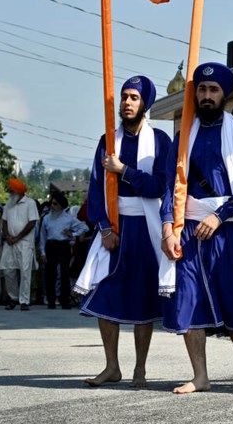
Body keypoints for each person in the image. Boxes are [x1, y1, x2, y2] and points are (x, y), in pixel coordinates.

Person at [161, 62, 233, 394]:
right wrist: (168, 228)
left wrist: (220, 215)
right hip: (188, 231)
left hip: (228, 229)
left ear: (225, 94)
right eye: (202, 89)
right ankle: (200, 375)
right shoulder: (183, 136)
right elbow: (171, 186)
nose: (207, 95)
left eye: (213, 90)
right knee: (188, 298)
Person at [75, 75, 173, 387]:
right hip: (113, 228)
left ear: (146, 103)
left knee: (144, 297)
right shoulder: (107, 140)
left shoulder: (160, 141)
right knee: (105, 294)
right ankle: (111, 366)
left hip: (146, 228)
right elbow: (95, 189)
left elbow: (160, 185)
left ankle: (140, 368)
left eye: (133, 97)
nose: (127, 103)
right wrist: (104, 228)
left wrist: (125, 171)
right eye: (124, 96)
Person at [38, 191, 88, 309]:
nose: (52, 206)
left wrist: (72, 234)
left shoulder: (68, 219)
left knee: (65, 273)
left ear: (61, 205)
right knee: (50, 274)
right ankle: (51, 301)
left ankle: (65, 301)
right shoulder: (46, 218)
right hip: (50, 245)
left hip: (63, 245)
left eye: (55, 204)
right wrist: (43, 252)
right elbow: (42, 236)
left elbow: (84, 227)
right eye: (52, 204)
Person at [0, 178, 40, 311]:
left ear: (18, 191)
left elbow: (32, 222)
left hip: (24, 243)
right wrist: (7, 236)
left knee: (25, 272)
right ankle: (14, 297)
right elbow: (4, 221)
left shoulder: (30, 203)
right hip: (10, 242)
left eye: (11, 189)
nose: (10, 192)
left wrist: (17, 237)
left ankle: (24, 301)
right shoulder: (9, 203)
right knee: (7, 270)